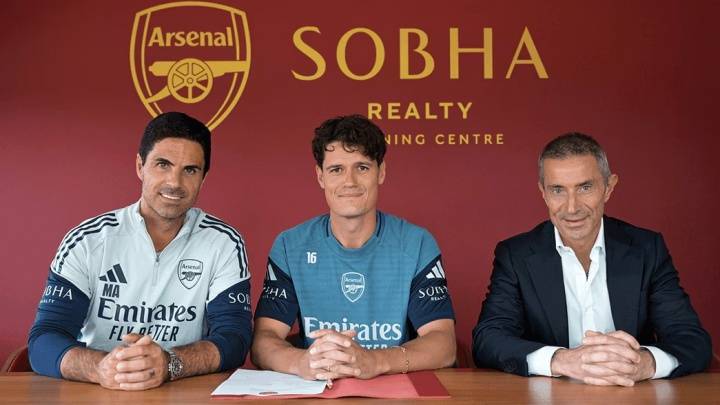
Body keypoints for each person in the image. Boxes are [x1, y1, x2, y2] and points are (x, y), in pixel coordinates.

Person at [28, 112, 252, 390]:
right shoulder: (87, 240)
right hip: (98, 391)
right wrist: (101, 368)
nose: (175, 182)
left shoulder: (224, 242)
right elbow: (44, 340)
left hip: (183, 393)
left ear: (204, 178)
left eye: (190, 170)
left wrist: (170, 364)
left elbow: (235, 339)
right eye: (163, 164)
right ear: (140, 166)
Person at [472, 133, 711, 385]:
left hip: (632, 394)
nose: (572, 207)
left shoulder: (647, 249)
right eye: (557, 190)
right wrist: (561, 360)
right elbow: (489, 339)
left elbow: (692, 339)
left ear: (609, 187)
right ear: (543, 192)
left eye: (585, 188)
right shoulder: (515, 255)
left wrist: (644, 363)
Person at [251, 114, 456, 381]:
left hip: (393, 388)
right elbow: (263, 340)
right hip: (320, 388)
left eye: (362, 167)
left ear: (381, 172)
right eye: (336, 169)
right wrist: (301, 363)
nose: (349, 181)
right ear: (320, 176)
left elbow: (444, 343)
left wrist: (375, 361)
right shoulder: (291, 246)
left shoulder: (416, 243)